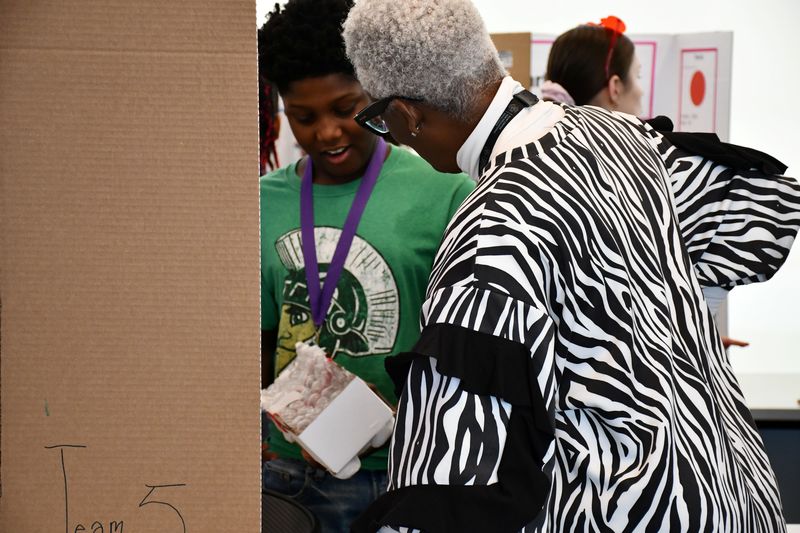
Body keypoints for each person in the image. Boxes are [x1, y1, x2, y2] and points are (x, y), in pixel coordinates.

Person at [343, 1, 800, 531]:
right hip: (731, 488)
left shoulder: (494, 227)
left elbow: (457, 476)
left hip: (623, 509)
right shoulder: (623, 136)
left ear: (404, 115)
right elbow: (756, 225)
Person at [259, 0, 475, 530]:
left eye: (345, 108)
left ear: (374, 92)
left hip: (411, 467)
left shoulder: (444, 187)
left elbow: (467, 337)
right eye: (303, 117)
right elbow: (258, 340)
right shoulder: (260, 203)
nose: (327, 133)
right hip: (290, 471)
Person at [544, 16, 759, 350]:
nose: (641, 89)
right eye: (638, 76)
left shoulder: (531, 161)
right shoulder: (652, 172)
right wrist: (697, 343)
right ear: (615, 87)